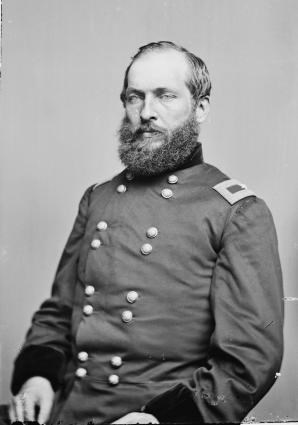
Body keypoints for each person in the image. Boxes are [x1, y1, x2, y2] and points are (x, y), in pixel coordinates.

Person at [9, 41, 284, 424]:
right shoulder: (98, 198)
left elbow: (249, 361)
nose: (147, 112)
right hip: (69, 412)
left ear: (200, 108)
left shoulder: (236, 211)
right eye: (134, 97)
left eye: (165, 96)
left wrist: (158, 421)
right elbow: (58, 314)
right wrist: (37, 377)